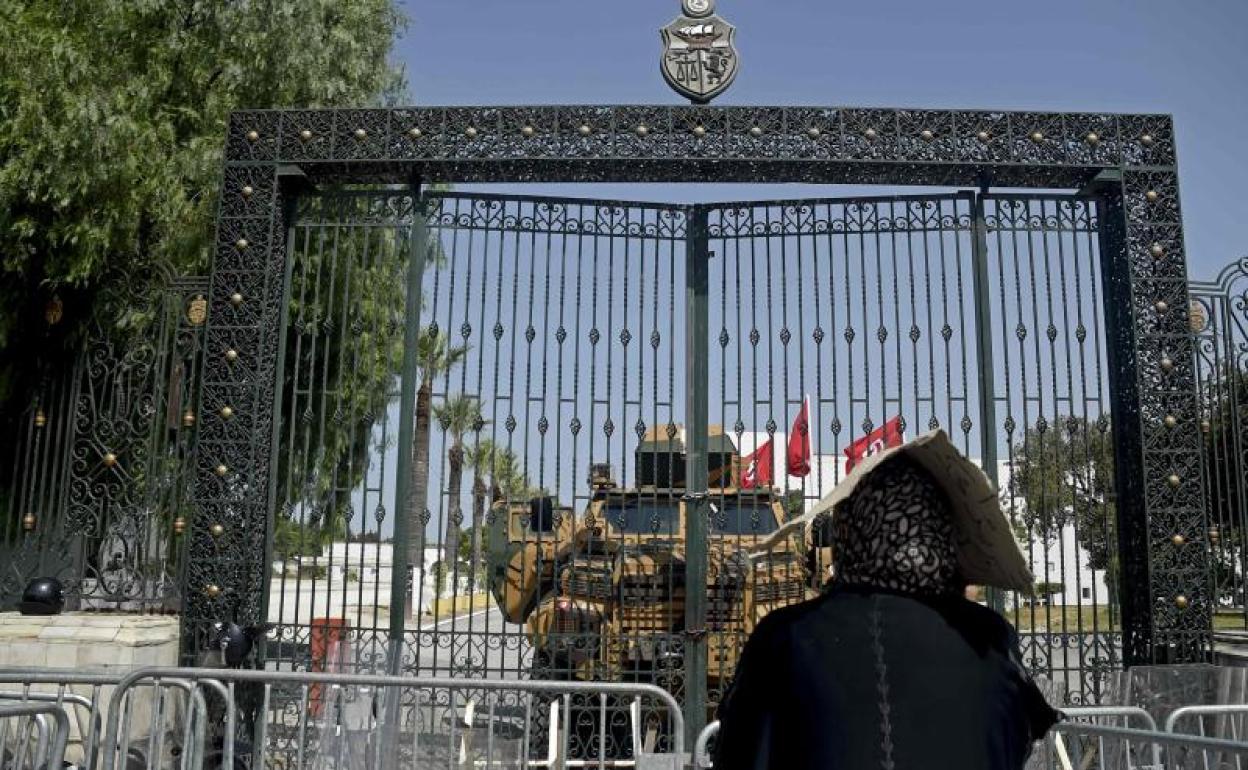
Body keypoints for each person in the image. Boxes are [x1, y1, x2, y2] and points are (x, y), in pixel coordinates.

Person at [713, 430, 1059, 770]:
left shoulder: (784, 636)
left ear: (847, 532)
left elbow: (739, 753)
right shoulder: (991, 637)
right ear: (941, 531)